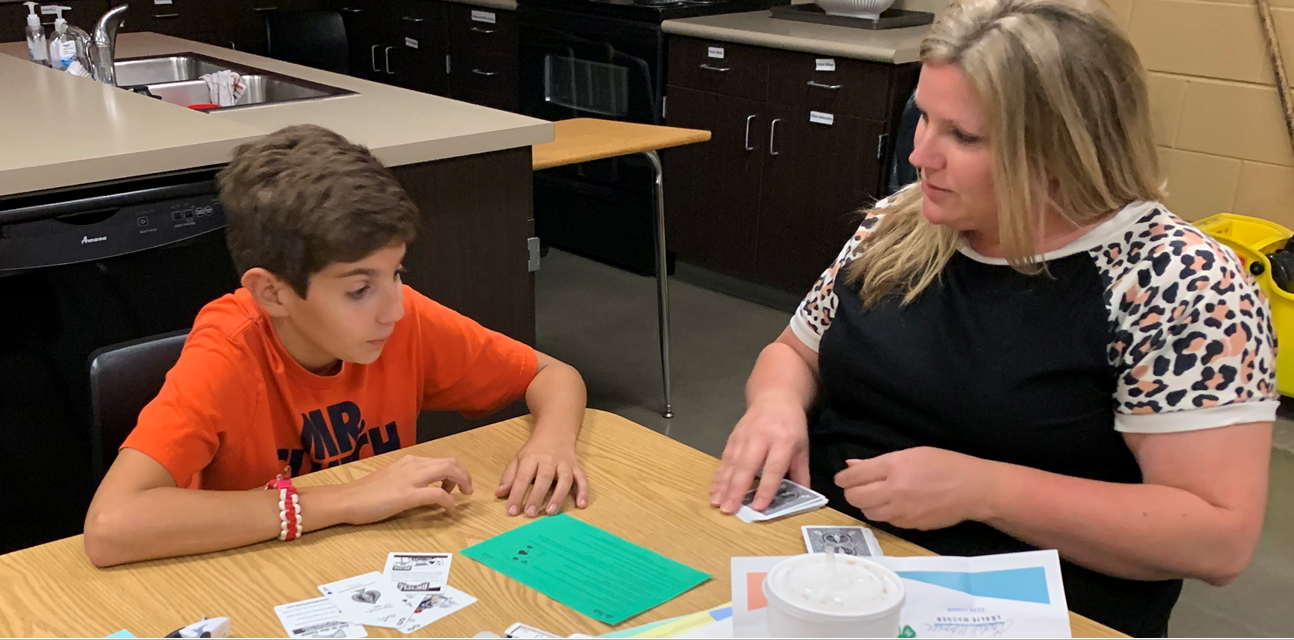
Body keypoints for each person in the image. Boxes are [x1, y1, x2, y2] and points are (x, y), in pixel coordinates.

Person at [708, 0, 1277, 636]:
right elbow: (794, 353)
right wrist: (777, 406)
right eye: (922, 117)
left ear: (1066, 148)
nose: (921, 155)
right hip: (833, 571)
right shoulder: (902, 221)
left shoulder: (1177, 283)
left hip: (1029, 606)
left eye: (965, 136)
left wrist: (984, 490)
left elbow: (1217, 539)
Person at [84, 125, 591, 568]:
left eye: (396, 273)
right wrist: (344, 501)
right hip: (246, 572)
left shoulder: (402, 318)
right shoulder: (229, 352)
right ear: (272, 293)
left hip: (368, 559)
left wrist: (552, 442)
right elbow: (110, 526)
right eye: (358, 289)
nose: (392, 309)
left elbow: (552, 374)